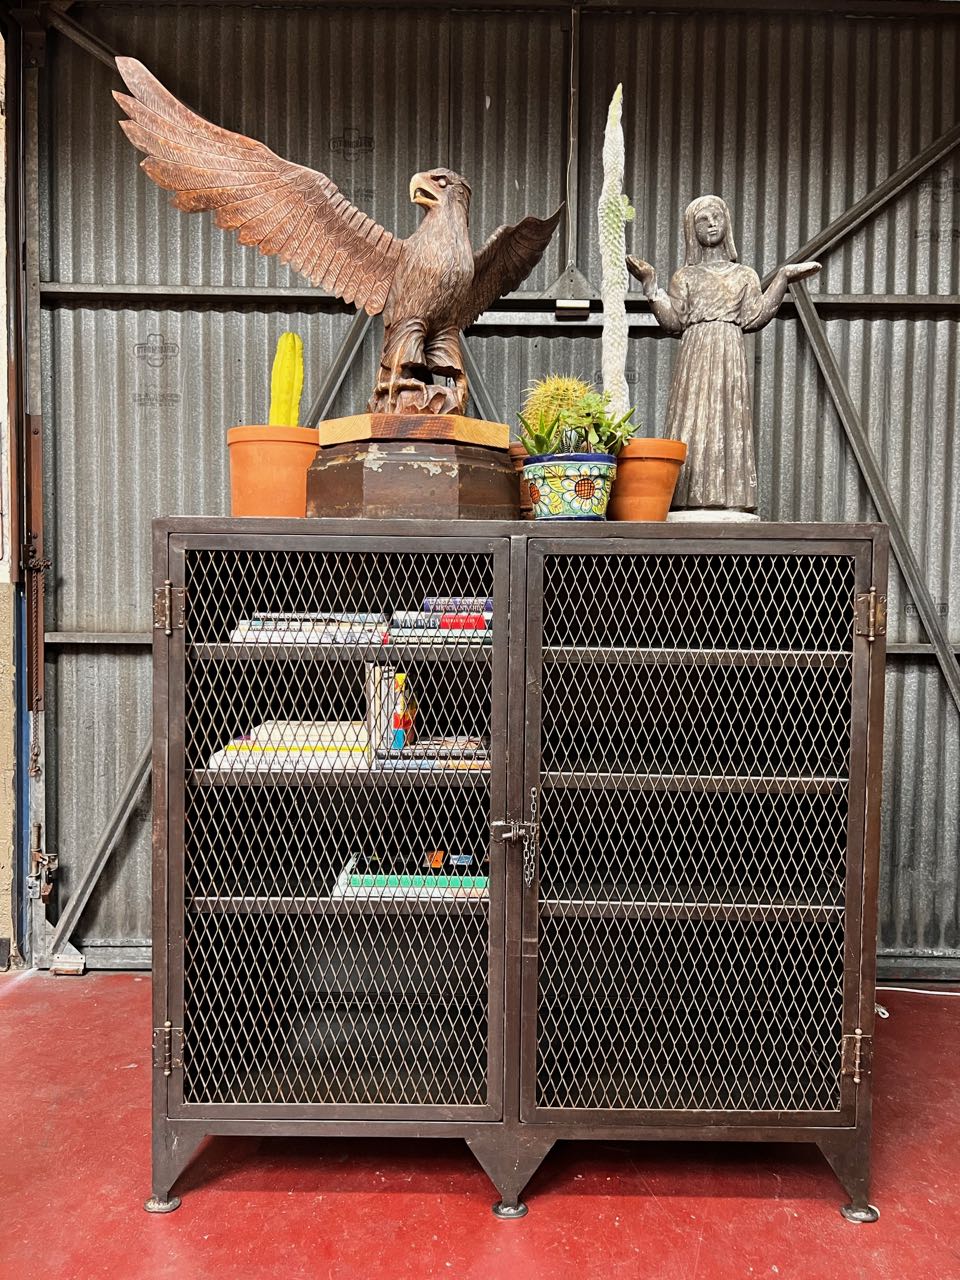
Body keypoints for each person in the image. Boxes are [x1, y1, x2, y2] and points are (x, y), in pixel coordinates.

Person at [627, 195, 820, 512]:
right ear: (692, 230)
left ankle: (732, 500)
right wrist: (650, 286)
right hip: (696, 354)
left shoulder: (745, 275)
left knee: (729, 421)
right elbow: (674, 322)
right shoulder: (686, 276)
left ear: (727, 222)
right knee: (693, 418)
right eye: (703, 219)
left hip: (729, 353)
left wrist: (783, 278)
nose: (711, 223)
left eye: (716, 216)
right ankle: (686, 500)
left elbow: (755, 317)